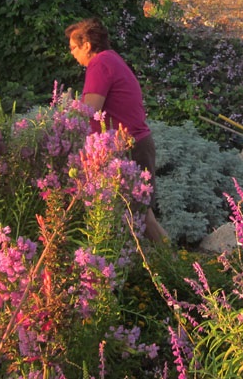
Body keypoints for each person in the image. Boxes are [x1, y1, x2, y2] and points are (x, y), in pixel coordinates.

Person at [66, 18, 168, 243]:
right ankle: (167, 263)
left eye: (74, 47)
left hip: (128, 147)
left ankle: (175, 265)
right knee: (137, 214)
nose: (72, 53)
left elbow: (90, 110)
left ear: (87, 45)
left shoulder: (100, 64)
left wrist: (64, 116)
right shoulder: (112, 59)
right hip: (134, 143)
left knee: (141, 214)